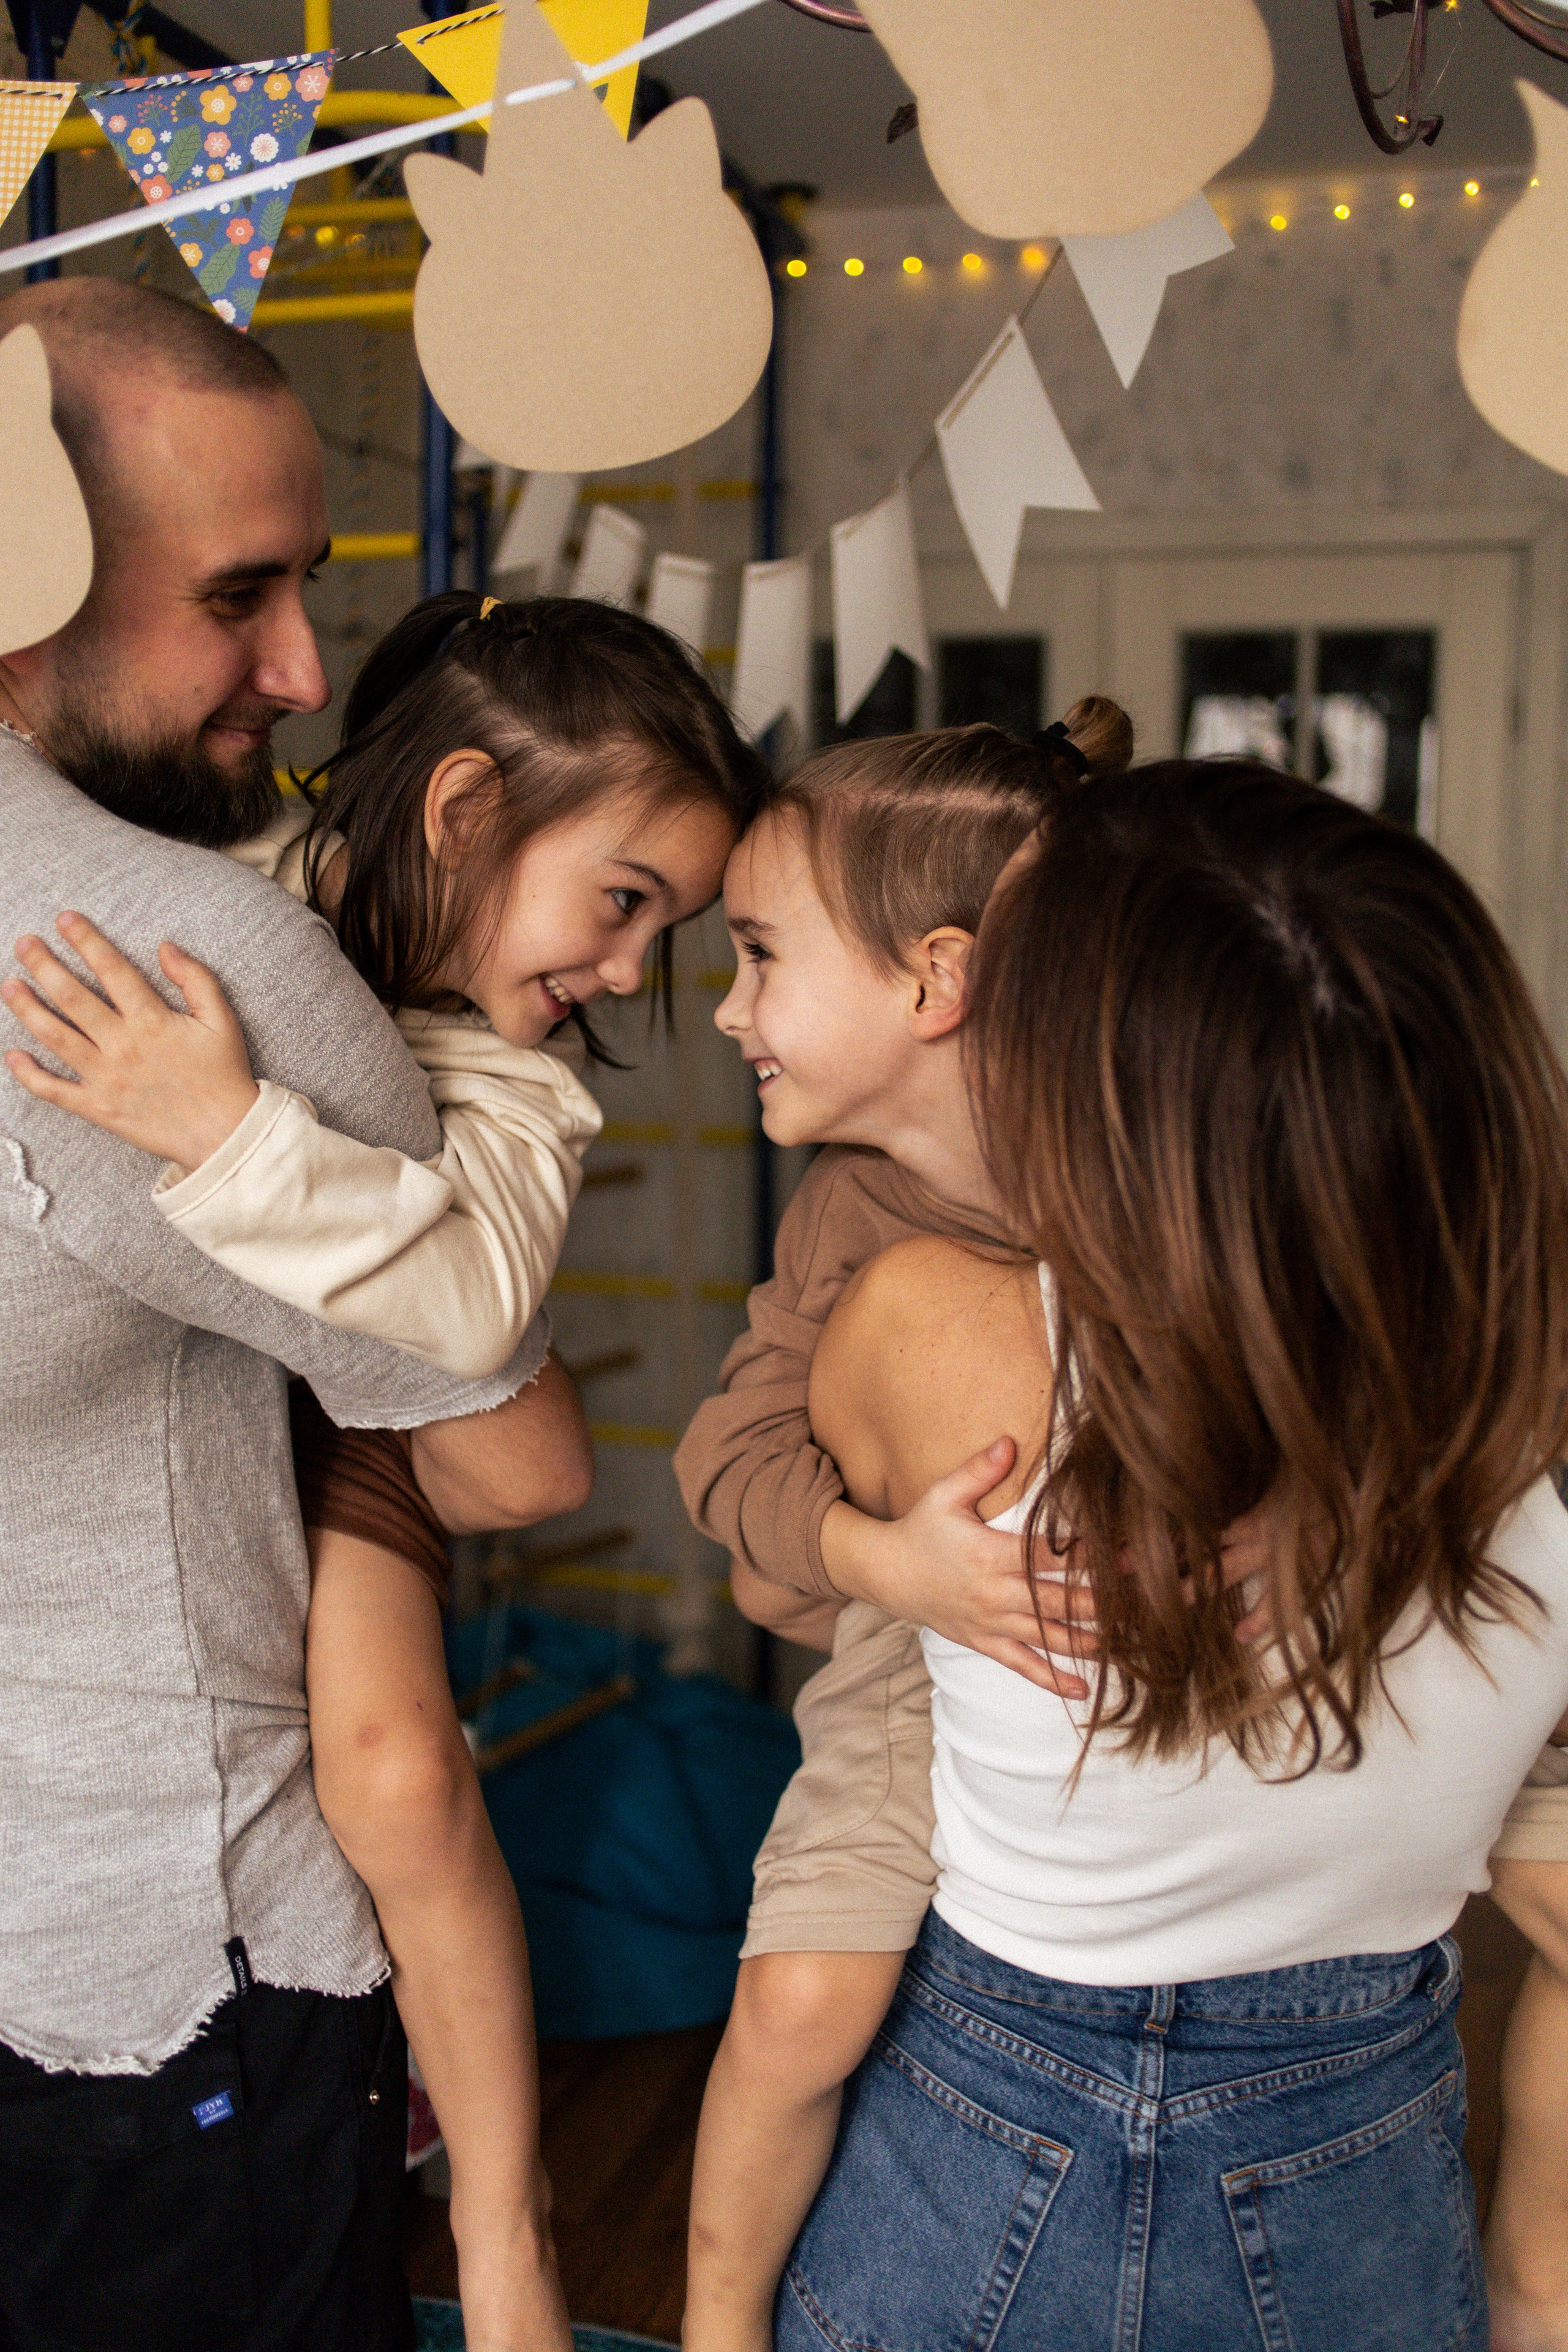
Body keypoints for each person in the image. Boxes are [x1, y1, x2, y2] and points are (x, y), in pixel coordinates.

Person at [4, 581, 769, 2352]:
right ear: (461, 815)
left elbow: (476, 1304)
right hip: (186, 1396)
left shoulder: (519, 1083)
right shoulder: (236, 891)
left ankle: (509, 2230)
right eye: (627, 902)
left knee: (403, 1779)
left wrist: (227, 1130)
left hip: (350, 1431)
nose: (631, 975)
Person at [772, 760, 1568, 2350]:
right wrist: (1535, 2293)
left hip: (975, 2162)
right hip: (1362, 2208)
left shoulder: (920, 1331)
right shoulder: (1522, 1420)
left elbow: (772, 1577)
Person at [0, 274, 579, 2352]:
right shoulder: (176, 956)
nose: (303, 668)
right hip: (153, 1992)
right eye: (236, 597)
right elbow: (510, 1454)